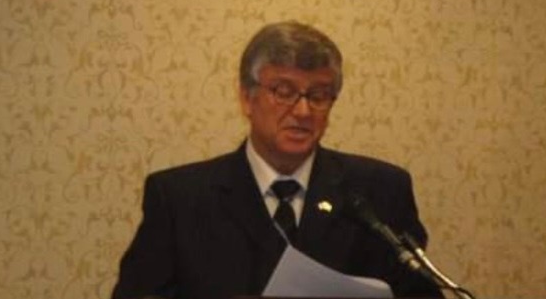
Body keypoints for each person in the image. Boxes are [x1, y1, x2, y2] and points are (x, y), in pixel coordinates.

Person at [112, 21, 442, 299]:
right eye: (284, 92)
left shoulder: (379, 191)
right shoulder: (180, 200)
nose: (303, 111)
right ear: (246, 97)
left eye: (318, 96)